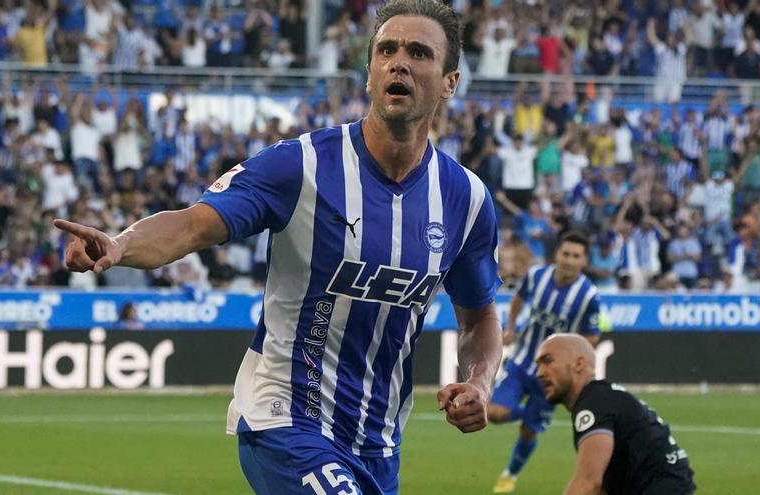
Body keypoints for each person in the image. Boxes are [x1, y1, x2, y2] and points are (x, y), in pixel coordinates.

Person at [54, 1, 503, 494]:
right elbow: (192, 226)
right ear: (370, 73)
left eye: (419, 52)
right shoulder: (300, 166)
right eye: (386, 50)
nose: (399, 62)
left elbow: (479, 318)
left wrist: (479, 383)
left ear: (449, 82)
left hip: (378, 444)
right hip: (285, 419)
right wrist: (119, 245)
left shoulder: (468, 200)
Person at [488, 231, 601, 494]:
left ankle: (510, 475)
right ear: (557, 254)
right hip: (523, 360)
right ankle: (531, 418)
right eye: (566, 254)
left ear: (584, 261)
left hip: (553, 376)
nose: (569, 260)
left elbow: (593, 335)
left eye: (576, 256)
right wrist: (512, 326)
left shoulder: (588, 296)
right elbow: (519, 298)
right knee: (494, 413)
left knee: (528, 433)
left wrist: (574, 360)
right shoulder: (536, 276)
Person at [535, 334, 696, 495]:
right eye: (538, 365)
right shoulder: (603, 397)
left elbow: (588, 483)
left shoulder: (594, 404)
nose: (539, 373)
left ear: (579, 364)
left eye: (548, 361)